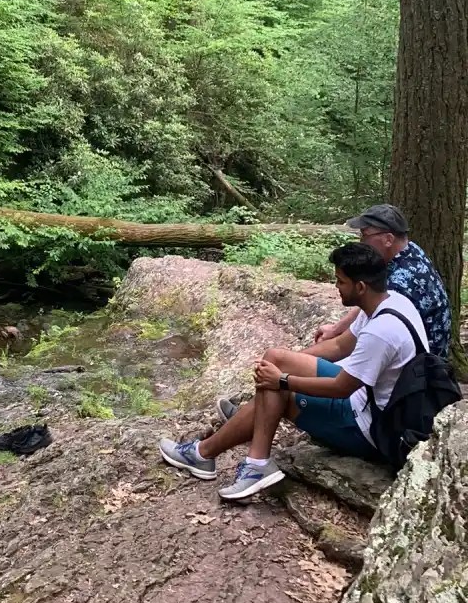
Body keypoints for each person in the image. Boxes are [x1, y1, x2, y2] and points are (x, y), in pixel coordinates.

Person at [158, 242, 428, 500]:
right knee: (274, 359)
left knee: (278, 392)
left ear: (360, 286)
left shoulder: (382, 332)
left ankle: (248, 463)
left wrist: (283, 380)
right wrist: (283, 363)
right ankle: (233, 432)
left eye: (340, 281)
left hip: (369, 426)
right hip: (369, 399)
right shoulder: (390, 302)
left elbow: (342, 388)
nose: (336, 287)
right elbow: (339, 345)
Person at [315, 203, 450, 358]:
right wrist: (335, 329)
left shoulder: (403, 281)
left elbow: (348, 342)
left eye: (365, 235)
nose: (361, 242)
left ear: (388, 239)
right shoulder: (410, 250)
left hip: (418, 370)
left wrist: (334, 334)